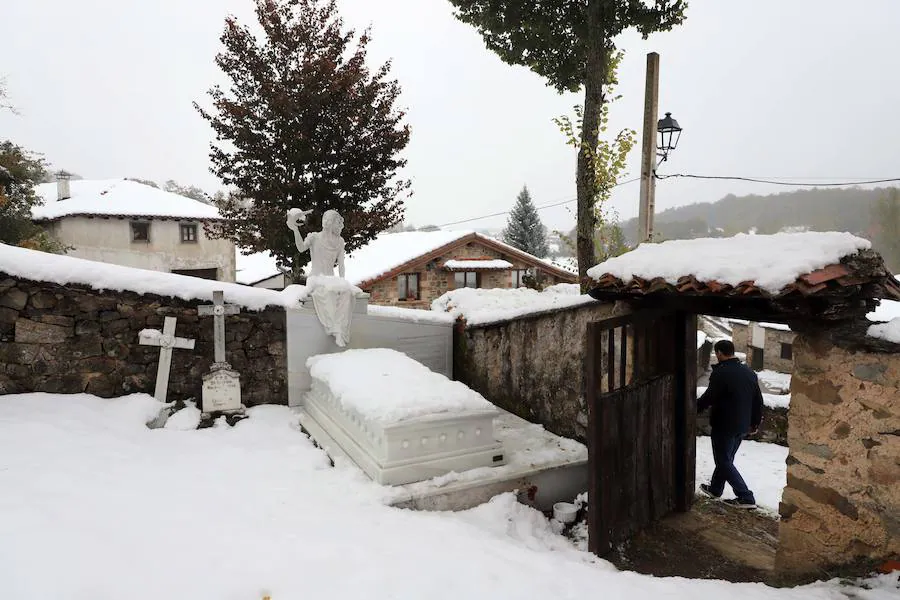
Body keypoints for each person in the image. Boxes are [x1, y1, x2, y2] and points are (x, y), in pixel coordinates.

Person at [697, 339, 764, 509]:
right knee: (726, 459)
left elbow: (709, 397)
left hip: (724, 424)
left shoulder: (721, 373)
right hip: (742, 426)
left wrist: (693, 408)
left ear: (719, 353)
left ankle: (745, 496)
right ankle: (715, 489)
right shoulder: (749, 372)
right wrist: (755, 422)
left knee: (723, 461)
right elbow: (757, 400)